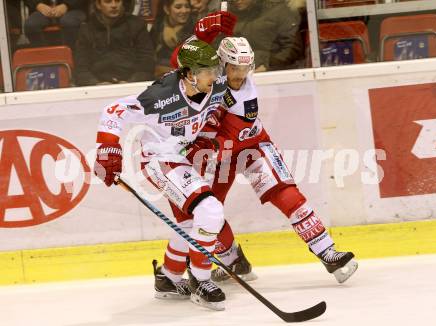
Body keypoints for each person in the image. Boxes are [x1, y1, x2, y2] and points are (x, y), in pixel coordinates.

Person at [169, 16, 358, 284]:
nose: (240, 75)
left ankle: (328, 252)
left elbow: (231, 137)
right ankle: (235, 261)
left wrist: (203, 144)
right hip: (217, 152)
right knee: (205, 208)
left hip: (250, 145)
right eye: (234, 68)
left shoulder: (246, 97)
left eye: (245, 68)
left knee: (285, 192)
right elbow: (178, 62)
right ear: (221, 63)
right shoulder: (207, 72)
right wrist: (202, 36)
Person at [93, 39, 229, 311]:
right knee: (211, 211)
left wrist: (205, 136)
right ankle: (201, 280)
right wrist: (107, 150)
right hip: (159, 159)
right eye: (207, 71)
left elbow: (216, 111)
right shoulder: (160, 96)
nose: (214, 76)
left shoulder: (215, 86)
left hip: (184, 157)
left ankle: (168, 277)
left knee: (193, 222)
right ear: (190, 74)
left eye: (215, 69)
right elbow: (113, 110)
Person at [74, 0, 155, 86]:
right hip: (98, 86)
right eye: (108, 1)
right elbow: (81, 68)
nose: (114, 5)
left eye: (117, 1)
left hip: (132, 85)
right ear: (98, 5)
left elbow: (147, 63)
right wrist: (95, 83)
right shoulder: (86, 29)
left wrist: (131, 82)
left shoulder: (137, 25)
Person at [229, 0, 304, 71]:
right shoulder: (229, 15)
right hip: (239, 74)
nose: (237, 0)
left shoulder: (279, 11)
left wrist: (267, 66)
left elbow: (292, 48)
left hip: (275, 75)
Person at [150, 0, 194, 78]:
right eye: (178, 7)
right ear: (167, 9)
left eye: (187, 7)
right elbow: (148, 55)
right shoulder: (158, 26)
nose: (184, 11)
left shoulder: (197, 28)